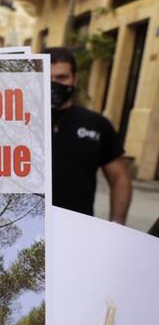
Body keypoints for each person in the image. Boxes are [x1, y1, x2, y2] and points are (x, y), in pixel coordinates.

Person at [48, 46, 132, 224]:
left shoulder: (97, 124)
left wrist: (117, 226)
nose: (53, 83)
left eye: (61, 77)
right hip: (29, 228)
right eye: (46, 77)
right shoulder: (16, 123)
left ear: (75, 79)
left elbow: (120, 178)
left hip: (80, 230)